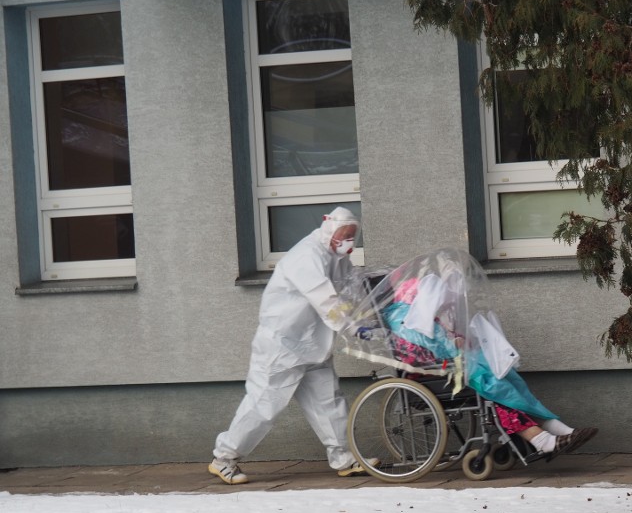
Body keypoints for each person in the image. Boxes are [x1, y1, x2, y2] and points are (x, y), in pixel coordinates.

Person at [209, 207, 373, 484]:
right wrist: (353, 326)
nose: (348, 242)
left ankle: (344, 456)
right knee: (264, 405)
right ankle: (224, 458)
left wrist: (370, 307)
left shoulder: (337, 256)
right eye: (344, 236)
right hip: (282, 346)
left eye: (351, 237)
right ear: (329, 228)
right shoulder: (306, 256)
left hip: (313, 344)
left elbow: (347, 288)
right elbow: (326, 299)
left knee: (329, 402)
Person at [381, 273, 598, 460]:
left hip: (447, 370)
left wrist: (458, 340)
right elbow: (422, 352)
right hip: (432, 376)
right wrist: (453, 343)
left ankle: (556, 429)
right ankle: (542, 440)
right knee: (494, 388)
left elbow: (440, 341)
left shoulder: (416, 317)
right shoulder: (405, 322)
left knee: (506, 378)